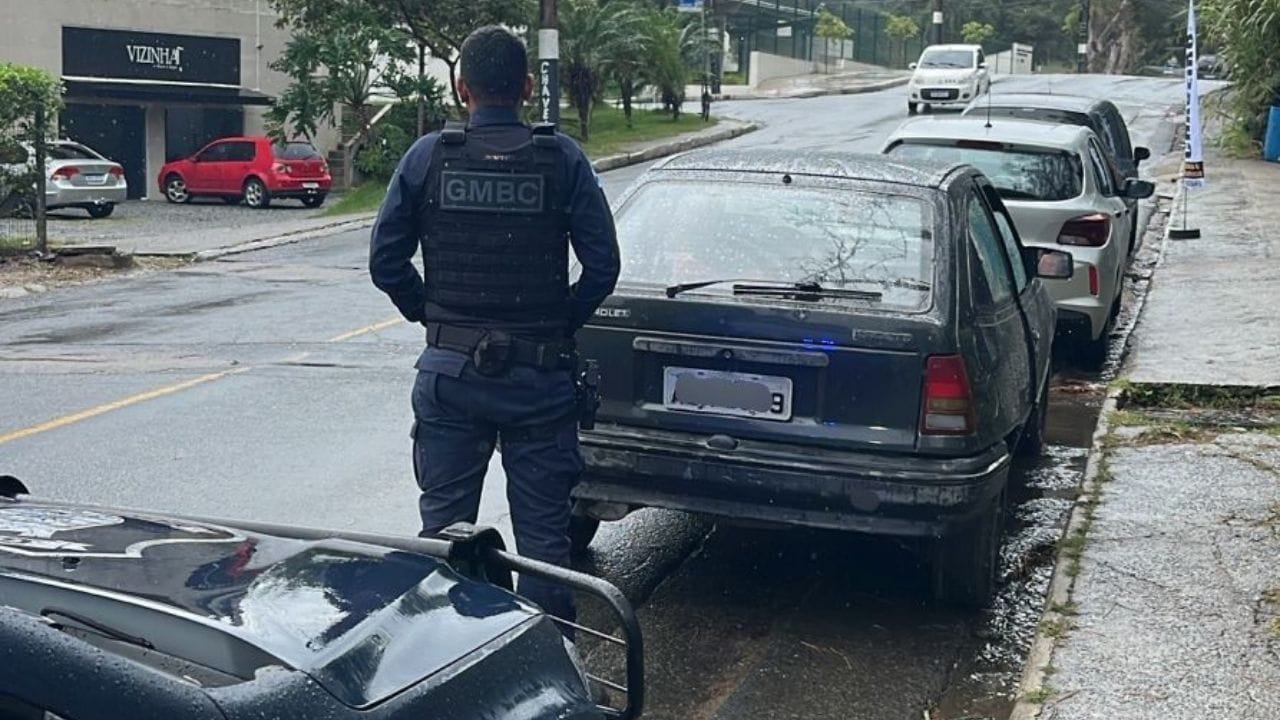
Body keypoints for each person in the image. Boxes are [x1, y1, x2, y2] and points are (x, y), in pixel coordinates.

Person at [368, 25, 620, 625]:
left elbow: (386, 262)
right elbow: (602, 266)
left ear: (462, 89)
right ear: (528, 88)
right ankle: (556, 678)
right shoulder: (562, 160)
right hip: (540, 382)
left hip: (451, 378)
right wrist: (558, 323)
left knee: (444, 543)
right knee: (545, 551)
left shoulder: (428, 157)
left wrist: (434, 316)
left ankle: (445, 673)